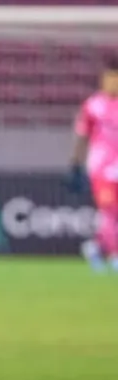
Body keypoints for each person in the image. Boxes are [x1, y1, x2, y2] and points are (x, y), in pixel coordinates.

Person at [73, 58, 118, 272]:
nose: (113, 83)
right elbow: (82, 135)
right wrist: (75, 164)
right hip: (100, 169)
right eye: (110, 78)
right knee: (109, 211)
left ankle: (95, 248)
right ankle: (115, 256)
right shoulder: (93, 105)